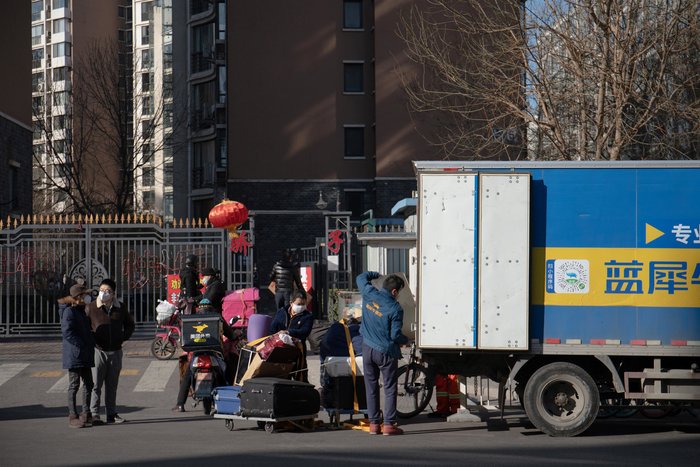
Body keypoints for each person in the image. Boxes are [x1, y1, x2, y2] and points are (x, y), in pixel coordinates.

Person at [357, 271, 408, 436]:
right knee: (389, 387)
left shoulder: (369, 293)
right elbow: (395, 336)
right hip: (385, 352)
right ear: (394, 291)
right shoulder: (395, 308)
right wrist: (405, 339)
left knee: (371, 386)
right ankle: (388, 424)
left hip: (367, 348)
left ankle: (374, 424)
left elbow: (360, 278)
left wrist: (376, 274)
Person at [173, 299, 236, 413]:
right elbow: (230, 335)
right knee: (224, 374)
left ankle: (180, 404)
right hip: (215, 352)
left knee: (187, 376)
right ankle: (226, 402)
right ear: (211, 307)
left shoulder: (192, 319)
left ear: (199, 308)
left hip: (197, 353)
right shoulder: (217, 317)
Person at [86, 278, 135, 425]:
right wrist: (92, 340)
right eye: (101, 290)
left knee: (112, 386)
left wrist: (122, 338)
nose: (103, 293)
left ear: (113, 293)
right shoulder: (91, 308)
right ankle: (94, 414)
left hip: (115, 351)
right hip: (98, 351)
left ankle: (111, 414)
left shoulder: (120, 308)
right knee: (96, 385)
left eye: (107, 291)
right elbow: (86, 327)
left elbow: (130, 325)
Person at [59, 283, 95, 428]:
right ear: (78, 297)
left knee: (89, 384)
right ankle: (73, 415)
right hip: (75, 354)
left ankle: (86, 413)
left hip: (85, 353)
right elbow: (67, 332)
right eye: (84, 294)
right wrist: (81, 344)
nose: (87, 297)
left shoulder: (81, 311)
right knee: (74, 385)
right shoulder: (69, 312)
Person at [269, 290, 313, 381]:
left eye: (303, 304)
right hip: (281, 349)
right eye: (298, 304)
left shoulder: (307, 316)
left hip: (298, 349)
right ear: (291, 303)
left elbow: (305, 332)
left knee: (300, 376)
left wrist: (288, 332)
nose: (301, 306)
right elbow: (272, 329)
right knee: (282, 375)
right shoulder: (282, 312)